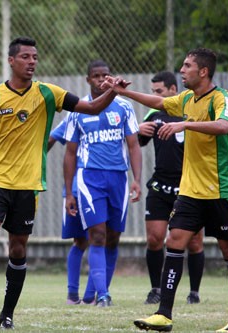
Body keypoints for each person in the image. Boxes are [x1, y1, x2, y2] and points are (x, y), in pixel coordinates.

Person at [0, 37, 127, 330]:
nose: (32, 61)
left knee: (18, 248)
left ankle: (7, 314)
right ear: (11, 61)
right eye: (25, 57)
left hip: (28, 185)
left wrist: (112, 91)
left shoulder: (48, 93)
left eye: (35, 57)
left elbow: (92, 107)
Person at [104, 48, 228, 332]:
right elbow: (157, 100)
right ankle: (164, 314)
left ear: (203, 71)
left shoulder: (222, 98)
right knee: (174, 241)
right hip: (191, 191)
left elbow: (223, 125)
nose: (181, 70)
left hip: (222, 189)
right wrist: (122, 93)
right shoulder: (185, 98)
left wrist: (185, 123)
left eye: (187, 65)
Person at [64, 59, 142, 307]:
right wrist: (69, 192)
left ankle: (95, 293)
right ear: (88, 80)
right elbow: (69, 153)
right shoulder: (79, 110)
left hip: (118, 177)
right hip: (90, 178)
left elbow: (133, 145)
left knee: (113, 237)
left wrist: (137, 180)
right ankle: (104, 296)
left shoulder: (124, 107)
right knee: (96, 235)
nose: (101, 80)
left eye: (105, 75)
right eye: (96, 76)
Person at [139, 71, 205, 305]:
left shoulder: (191, 111)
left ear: (173, 90)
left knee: (195, 242)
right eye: (153, 91)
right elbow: (136, 142)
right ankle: (155, 289)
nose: (155, 95)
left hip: (187, 186)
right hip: (159, 186)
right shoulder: (154, 113)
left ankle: (194, 292)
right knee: (155, 239)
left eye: (159, 92)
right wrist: (139, 130)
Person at [48, 116, 95, 305]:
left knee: (91, 240)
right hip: (78, 188)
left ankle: (87, 295)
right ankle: (77, 295)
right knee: (87, 240)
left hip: (88, 187)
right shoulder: (76, 115)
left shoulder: (120, 110)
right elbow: (51, 138)